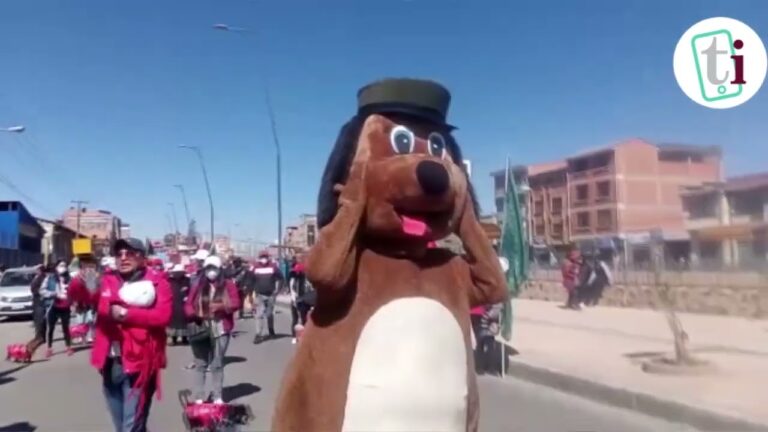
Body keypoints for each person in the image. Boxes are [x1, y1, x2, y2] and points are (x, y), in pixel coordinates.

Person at [91, 237, 172, 432]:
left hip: (140, 364)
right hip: (110, 363)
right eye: (119, 254)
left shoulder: (157, 283)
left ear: (143, 258)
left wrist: (126, 314)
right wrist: (82, 286)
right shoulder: (106, 281)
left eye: (130, 253)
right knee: (123, 426)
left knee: (131, 427)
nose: (123, 258)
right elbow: (83, 299)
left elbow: (162, 317)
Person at [184, 255, 239, 404]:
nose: (211, 272)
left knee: (217, 364)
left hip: (221, 328)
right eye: (208, 268)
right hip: (201, 328)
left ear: (220, 269)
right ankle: (199, 397)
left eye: (214, 268)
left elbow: (235, 303)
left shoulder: (228, 285)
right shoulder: (198, 285)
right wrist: (193, 314)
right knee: (200, 364)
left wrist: (221, 306)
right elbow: (188, 304)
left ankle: (217, 396)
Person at [40, 259, 74, 357]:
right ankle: (49, 348)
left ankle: (68, 347)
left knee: (66, 328)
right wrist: (54, 294)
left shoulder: (69, 278)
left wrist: (73, 300)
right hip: (53, 306)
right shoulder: (50, 278)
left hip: (65, 307)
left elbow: (74, 291)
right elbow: (42, 290)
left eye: (64, 265)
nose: (62, 267)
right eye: (60, 265)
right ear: (56, 267)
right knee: (50, 328)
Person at [249, 251, 283, 344]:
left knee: (269, 314)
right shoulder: (254, 267)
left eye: (265, 257)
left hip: (271, 294)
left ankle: (271, 330)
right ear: (259, 258)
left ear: (268, 257)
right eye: (262, 257)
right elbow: (250, 280)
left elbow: (281, 278)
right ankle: (258, 334)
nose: (263, 258)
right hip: (259, 294)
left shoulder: (273, 267)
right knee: (259, 315)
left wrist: (277, 290)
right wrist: (250, 293)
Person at [288, 260, 314, 345]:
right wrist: (294, 300)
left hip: (305, 301)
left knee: (304, 319)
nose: (297, 274)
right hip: (295, 300)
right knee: (295, 319)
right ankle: (294, 336)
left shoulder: (308, 280)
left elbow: (311, 290)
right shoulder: (293, 279)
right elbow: (292, 290)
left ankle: (305, 336)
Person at [475, 303, 503, 376]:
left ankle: (480, 368)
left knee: (481, 348)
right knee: (487, 348)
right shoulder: (494, 307)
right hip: (486, 329)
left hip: (482, 328)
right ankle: (489, 368)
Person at [168, 264, 191, 345]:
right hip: (173, 304)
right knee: (173, 323)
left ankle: (184, 339)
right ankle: (174, 339)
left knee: (184, 322)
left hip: (183, 304)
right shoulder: (169, 281)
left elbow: (190, 291)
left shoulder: (187, 280)